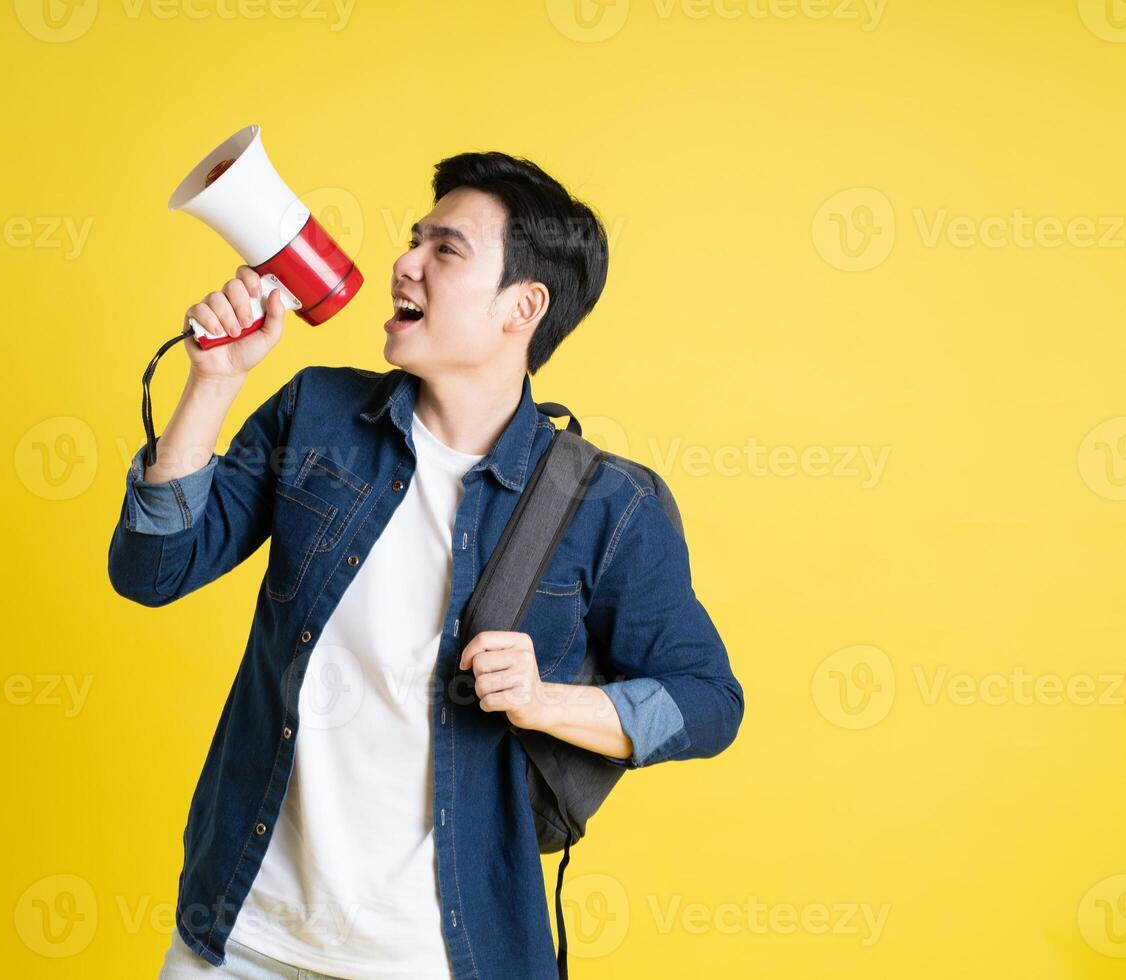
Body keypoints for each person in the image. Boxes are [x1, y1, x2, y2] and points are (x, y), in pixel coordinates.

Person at [109, 151, 744, 980]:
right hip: (240, 935)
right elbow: (153, 571)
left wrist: (547, 701)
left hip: (442, 954)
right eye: (417, 240)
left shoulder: (604, 505)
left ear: (524, 305)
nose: (405, 264)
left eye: (446, 250)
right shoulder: (318, 414)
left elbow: (709, 703)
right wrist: (212, 382)